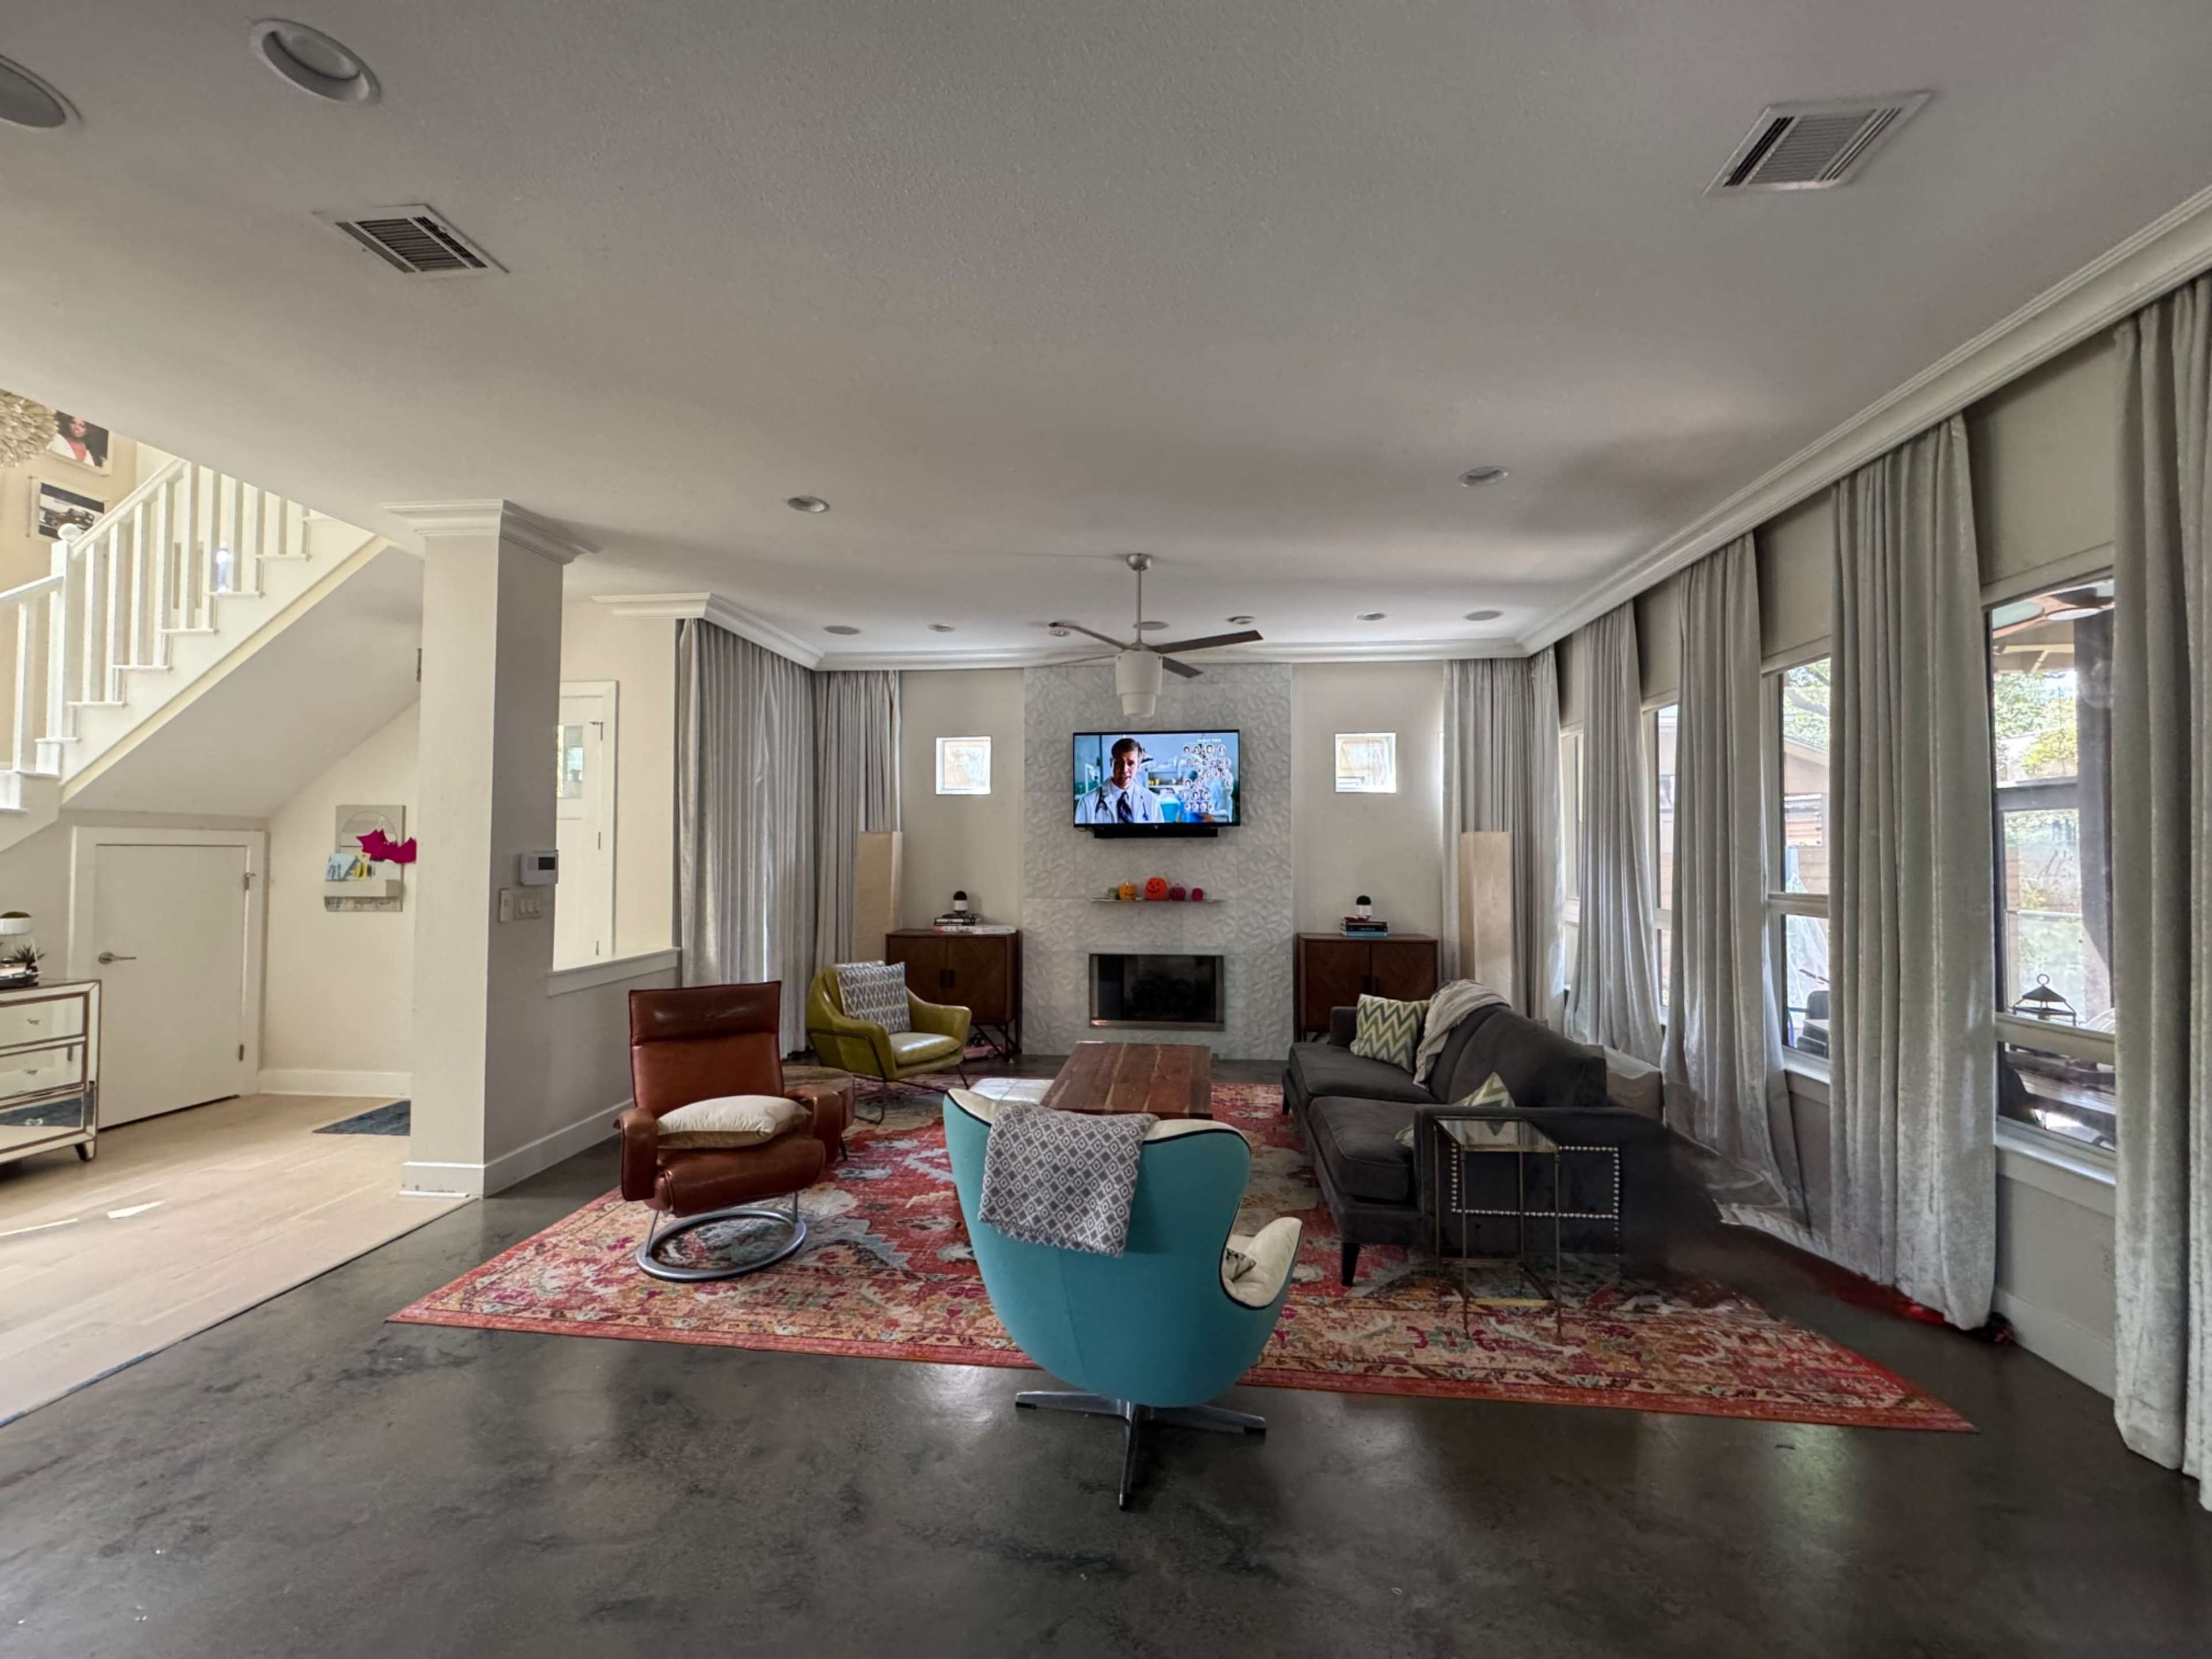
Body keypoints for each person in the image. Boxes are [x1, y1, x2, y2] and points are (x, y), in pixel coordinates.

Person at [1075, 737, 1164, 824]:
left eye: (1131, 763)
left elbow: (1158, 837)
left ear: (1138, 766)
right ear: (1111, 763)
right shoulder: (1087, 802)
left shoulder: (1151, 801)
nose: (1124, 769)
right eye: (1119, 762)